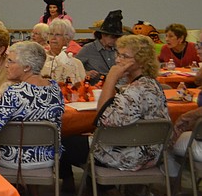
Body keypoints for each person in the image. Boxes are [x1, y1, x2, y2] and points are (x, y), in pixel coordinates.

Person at [0, 42, 64, 169]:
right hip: (49, 157)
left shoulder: (14, 93)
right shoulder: (55, 88)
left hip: (14, 159)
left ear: (27, 67)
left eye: (11, 61)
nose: (6, 65)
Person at [91, 34, 169, 171]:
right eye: (118, 54)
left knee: (68, 144)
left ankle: (77, 181)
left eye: (124, 56)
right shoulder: (150, 83)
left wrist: (111, 78)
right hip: (151, 151)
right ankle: (97, 183)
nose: (117, 60)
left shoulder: (137, 90)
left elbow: (102, 118)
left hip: (131, 155)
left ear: (141, 61)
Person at [77, 10, 123, 84]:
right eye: (113, 37)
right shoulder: (88, 49)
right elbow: (74, 67)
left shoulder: (120, 50)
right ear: (103, 35)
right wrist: (86, 73)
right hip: (95, 87)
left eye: (118, 38)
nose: (115, 40)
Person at [41, 19, 86, 85]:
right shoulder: (41, 59)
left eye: (58, 35)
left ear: (67, 38)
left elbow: (83, 86)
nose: (53, 38)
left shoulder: (76, 63)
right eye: (51, 34)